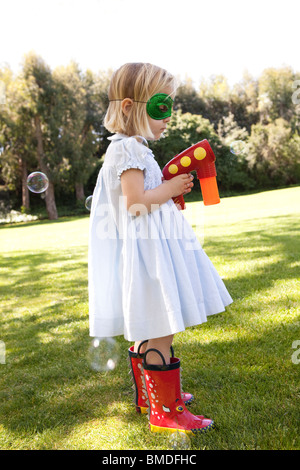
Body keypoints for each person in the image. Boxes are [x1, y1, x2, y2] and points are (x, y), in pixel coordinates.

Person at [88, 63, 232, 435]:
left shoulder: (134, 148)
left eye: (170, 105)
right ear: (128, 107)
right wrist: (168, 190)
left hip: (155, 248)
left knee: (156, 324)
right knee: (162, 327)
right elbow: (135, 203)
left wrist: (169, 189)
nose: (169, 115)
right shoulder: (125, 151)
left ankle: (152, 397)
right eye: (161, 107)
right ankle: (165, 411)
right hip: (150, 254)